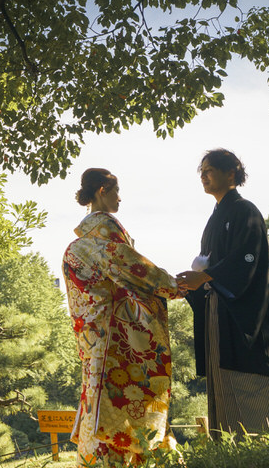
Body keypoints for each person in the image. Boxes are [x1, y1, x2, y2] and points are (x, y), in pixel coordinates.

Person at [176, 149, 269, 442]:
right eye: (201, 171)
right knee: (224, 371)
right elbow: (209, 263)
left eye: (209, 169)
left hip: (247, 311)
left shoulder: (245, 210)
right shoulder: (215, 217)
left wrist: (206, 276)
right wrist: (196, 283)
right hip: (220, 308)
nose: (203, 175)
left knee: (254, 371)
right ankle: (233, 445)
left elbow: (248, 258)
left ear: (232, 173)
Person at [63, 168, 183, 466]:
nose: (120, 197)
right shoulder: (102, 239)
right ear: (103, 190)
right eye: (116, 191)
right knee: (119, 404)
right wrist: (175, 287)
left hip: (93, 341)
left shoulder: (77, 246)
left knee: (97, 400)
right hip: (115, 340)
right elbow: (137, 271)